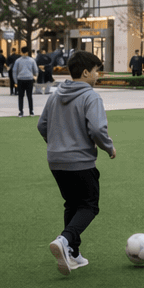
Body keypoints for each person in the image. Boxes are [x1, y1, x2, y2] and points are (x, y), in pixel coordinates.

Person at [40, 51, 116, 276]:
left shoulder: (55, 95)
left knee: (71, 204)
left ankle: (72, 253)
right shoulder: (90, 96)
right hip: (80, 161)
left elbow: (41, 125)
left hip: (55, 160)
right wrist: (108, 147)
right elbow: (97, 129)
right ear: (85, 72)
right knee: (89, 205)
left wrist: (55, 143)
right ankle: (64, 241)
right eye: (96, 70)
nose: (98, 75)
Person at [13, 47, 38, 116]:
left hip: (20, 80)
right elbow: (35, 70)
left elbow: (14, 71)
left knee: (20, 96)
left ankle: (21, 111)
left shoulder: (18, 61)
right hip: (29, 79)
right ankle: (31, 111)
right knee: (29, 96)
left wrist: (15, 81)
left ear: (21, 52)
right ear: (27, 52)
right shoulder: (32, 60)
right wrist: (35, 77)